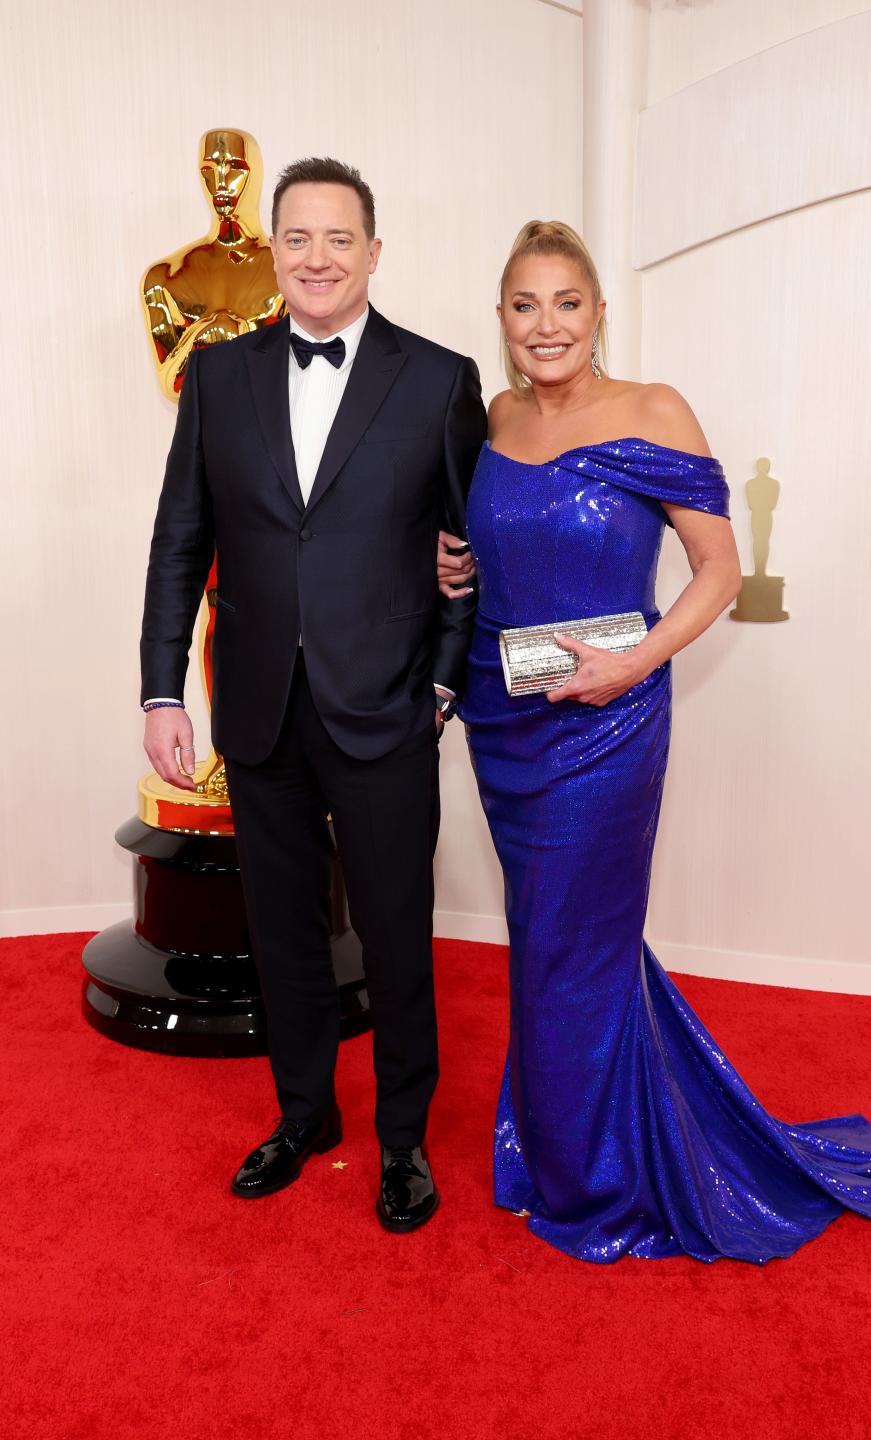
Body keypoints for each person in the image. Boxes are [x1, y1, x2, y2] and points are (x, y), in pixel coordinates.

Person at [437, 220, 871, 1264]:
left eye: (567, 303)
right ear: (502, 320)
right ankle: (555, 1147)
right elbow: (508, 550)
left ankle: (596, 1182)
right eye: (527, 305)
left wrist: (637, 661)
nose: (548, 326)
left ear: (599, 313)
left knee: (577, 944)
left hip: (609, 725)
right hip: (507, 716)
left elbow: (716, 571)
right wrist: (464, 570)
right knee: (546, 939)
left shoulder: (654, 409)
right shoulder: (495, 417)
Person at [141, 157, 486, 1233]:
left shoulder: (439, 379)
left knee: (392, 931)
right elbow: (178, 540)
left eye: (340, 239)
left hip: (386, 701)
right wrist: (162, 689)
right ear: (274, 253)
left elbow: (471, 553)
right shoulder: (220, 379)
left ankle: (401, 1141)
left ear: (374, 253)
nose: (318, 257)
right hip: (256, 704)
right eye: (299, 238)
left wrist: (441, 681)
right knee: (281, 932)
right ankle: (303, 1118)